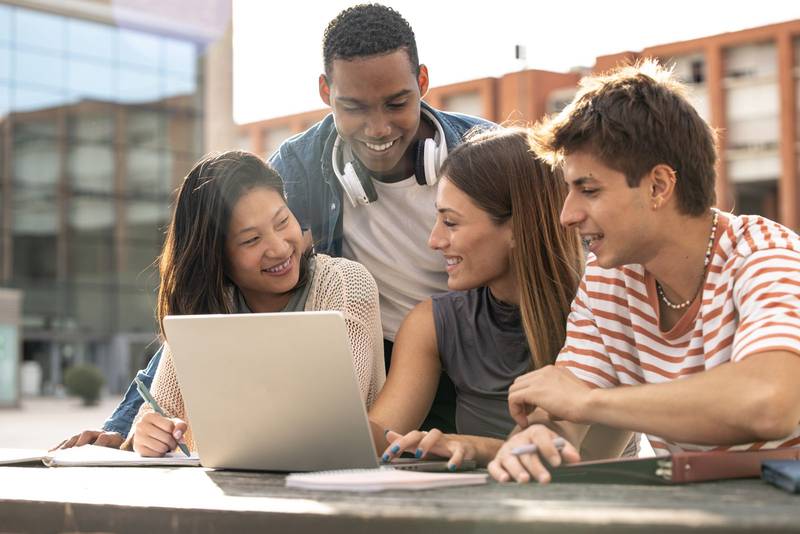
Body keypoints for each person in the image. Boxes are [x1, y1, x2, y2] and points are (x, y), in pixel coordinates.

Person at [54, 3, 491, 450]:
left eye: (397, 103)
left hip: (476, 361)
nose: (377, 127)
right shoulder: (299, 167)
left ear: (422, 82)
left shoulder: (489, 154)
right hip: (381, 370)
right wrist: (124, 426)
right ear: (325, 91)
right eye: (354, 106)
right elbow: (204, 300)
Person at [486, 60, 800, 484]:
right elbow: (565, 406)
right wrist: (536, 439)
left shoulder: (765, 254)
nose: (567, 215)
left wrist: (589, 404)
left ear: (658, 186)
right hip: (709, 506)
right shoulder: (608, 279)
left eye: (589, 190)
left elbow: (770, 402)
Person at [367, 127, 633, 466]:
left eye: (450, 222)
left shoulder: (609, 309)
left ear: (517, 229)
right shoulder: (432, 324)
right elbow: (377, 439)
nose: (434, 240)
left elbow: (576, 463)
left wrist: (477, 449)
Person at [108, 150, 386, 455]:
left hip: (331, 488)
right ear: (217, 256)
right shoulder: (208, 307)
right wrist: (147, 433)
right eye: (251, 240)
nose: (279, 248)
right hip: (230, 491)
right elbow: (161, 410)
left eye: (282, 222)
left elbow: (334, 417)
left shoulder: (345, 284)